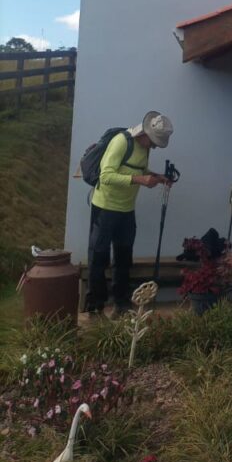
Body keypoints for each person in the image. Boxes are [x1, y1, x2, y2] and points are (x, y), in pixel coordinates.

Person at [85, 110, 174, 317]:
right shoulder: (120, 142)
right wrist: (140, 181)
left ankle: (121, 304)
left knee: (124, 258)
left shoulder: (144, 148)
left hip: (126, 210)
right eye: (153, 142)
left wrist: (156, 177)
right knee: (98, 258)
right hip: (105, 208)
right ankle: (96, 307)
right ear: (145, 134)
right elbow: (106, 175)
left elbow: (138, 170)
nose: (154, 146)